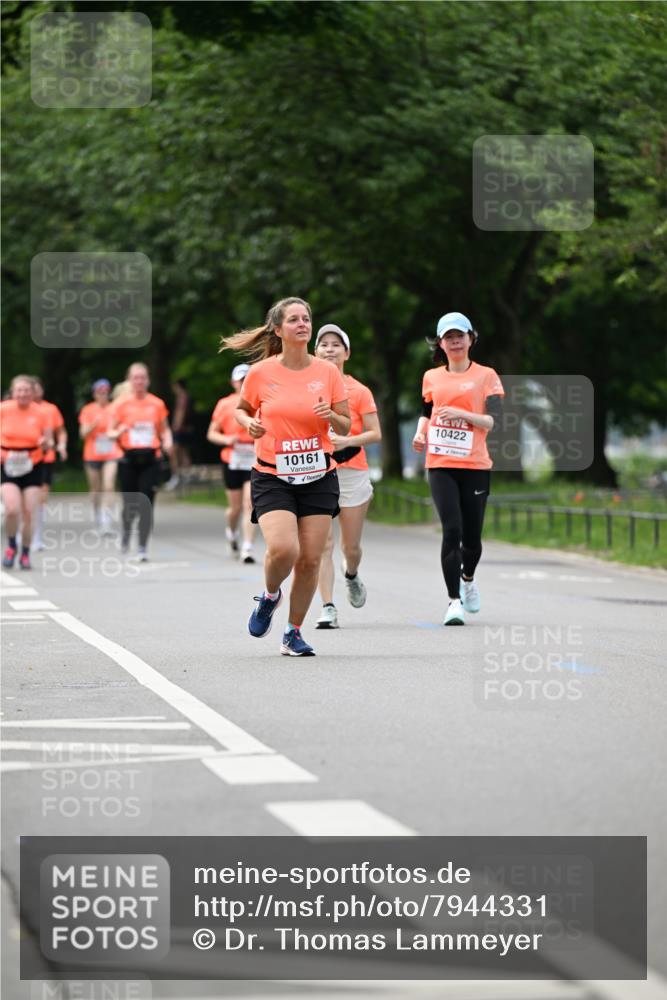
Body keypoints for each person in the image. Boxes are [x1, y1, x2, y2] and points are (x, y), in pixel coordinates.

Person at [220, 297, 350, 656]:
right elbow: (241, 410)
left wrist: (331, 415)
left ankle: (293, 633)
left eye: (306, 318)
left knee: (309, 559)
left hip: (319, 474)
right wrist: (250, 424)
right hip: (273, 474)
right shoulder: (261, 373)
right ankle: (270, 595)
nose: (302, 324)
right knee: (284, 549)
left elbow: (345, 423)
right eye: (294, 319)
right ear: (278, 329)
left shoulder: (327, 372)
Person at [412, 312, 504, 625]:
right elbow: (427, 411)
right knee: (451, 531)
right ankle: (453, 601)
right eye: (448, 337)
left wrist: (464, 416)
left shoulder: (486, 375)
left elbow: (495, 421)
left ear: (470, 339)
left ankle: (468, 578)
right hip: (440, 463)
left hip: (475, 464)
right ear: (440, 343)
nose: (454, 342)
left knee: (472, 539)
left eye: (459, 336)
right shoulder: (432, 377)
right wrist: (420, 431)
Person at [313, 324, 382, 629]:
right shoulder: (307, 387)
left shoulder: (359, 391)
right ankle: (328, 606)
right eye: (324, 344)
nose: (329, 349)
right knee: (322, 544)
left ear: (347, 353)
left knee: (349, 548)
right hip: (315, 471)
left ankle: (351, 575)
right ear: (315, 351)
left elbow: (375, 433)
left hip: (352, 470)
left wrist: (347, 441)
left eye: (335, 345)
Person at [108, 363, 172, 561]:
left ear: (148, 380)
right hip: (128, 459)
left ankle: (142, 546)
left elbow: (165, 429)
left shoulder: (157, 404)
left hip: (151, 459)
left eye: (143, 377)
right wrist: (119, 432)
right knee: (130, 504)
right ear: (129, 380)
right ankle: (127, 531)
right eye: (135, 378)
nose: (139, 381)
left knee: (146, 502)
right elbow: (110, 432)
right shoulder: (120, 405)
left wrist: (168, 441)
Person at [1, 375, 53, 569]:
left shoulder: (41, 413)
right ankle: (12, 545)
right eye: (19, 390)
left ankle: (25, 552)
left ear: (33, 393)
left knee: (29, 513)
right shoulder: (4, 410)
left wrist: (46, 443)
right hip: (8, 464)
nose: (23, 393)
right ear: (13, 392)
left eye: (26, 390)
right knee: (12, 509)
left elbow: (50, 441)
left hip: (33, 464)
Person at [207, 363, 257, 563]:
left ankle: (247, 548)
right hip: (232, 459)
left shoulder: (260, 402)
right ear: (233, 383)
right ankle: (231, 530)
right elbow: (211, 433)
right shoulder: (224, 404)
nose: (244, 383)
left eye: (248, 379)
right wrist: (226, 440)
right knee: (234, 508)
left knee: (250, 504)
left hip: (253, 458)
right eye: (241, 380)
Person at [78, 378, 122, 533]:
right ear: (94, 394)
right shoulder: (88, 410)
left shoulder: (114, 409)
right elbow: (82, 433)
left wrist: (117, 432)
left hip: (111, 452)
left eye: (105, 392)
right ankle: (96, 518)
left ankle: (106, 522)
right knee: (95, 489)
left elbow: (120, 429)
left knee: (109, 486)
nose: (103, 394)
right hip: (92, 454)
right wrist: (93, 425)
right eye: (99, 392)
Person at [30, 376, 67, 551]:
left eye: (38, 388)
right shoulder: (18, 409)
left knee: (41, 498)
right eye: (32, 388)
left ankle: (37, 536)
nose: (35, 392)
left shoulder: (50, 409)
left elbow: (60, 432)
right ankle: (24, 532)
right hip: (23, 459)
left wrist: (61, 445)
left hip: (45, 458)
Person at [165, 379, 195, 489]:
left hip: (180, 429)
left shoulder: (182, 396)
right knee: (184, 452)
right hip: (187, 428)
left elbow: (180, 412)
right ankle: (186, 476)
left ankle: (175, 477)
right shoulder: (187, 396)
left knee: (173, 452)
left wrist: (176, 426)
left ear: (178, 386)